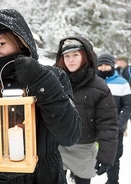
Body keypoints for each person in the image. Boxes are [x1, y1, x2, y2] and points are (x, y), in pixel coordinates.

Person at [0, 9, 82, 184]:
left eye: (1, 44)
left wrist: (42, 82)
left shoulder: (53, 77)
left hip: (48, 176)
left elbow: (70, 135)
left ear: (20, 43)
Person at [55, 37, 119, 184]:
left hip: (84, 148)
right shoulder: (55, 82)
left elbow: (108, 124)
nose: (70, 60)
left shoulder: (99, 87)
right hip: (58, 146)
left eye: (75, 55)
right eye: (67, 56)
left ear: (85, 56)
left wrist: (106, 156)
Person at [97, 53, 131, 184]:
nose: (103, 68)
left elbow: (127, 106)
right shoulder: (93, 82)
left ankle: (112, 180)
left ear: (112, 66)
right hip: (95, 127)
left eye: (106, 65)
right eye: (100, 65)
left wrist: (119, 123)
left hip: (115, 128)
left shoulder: (122, 83)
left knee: (114, 156)